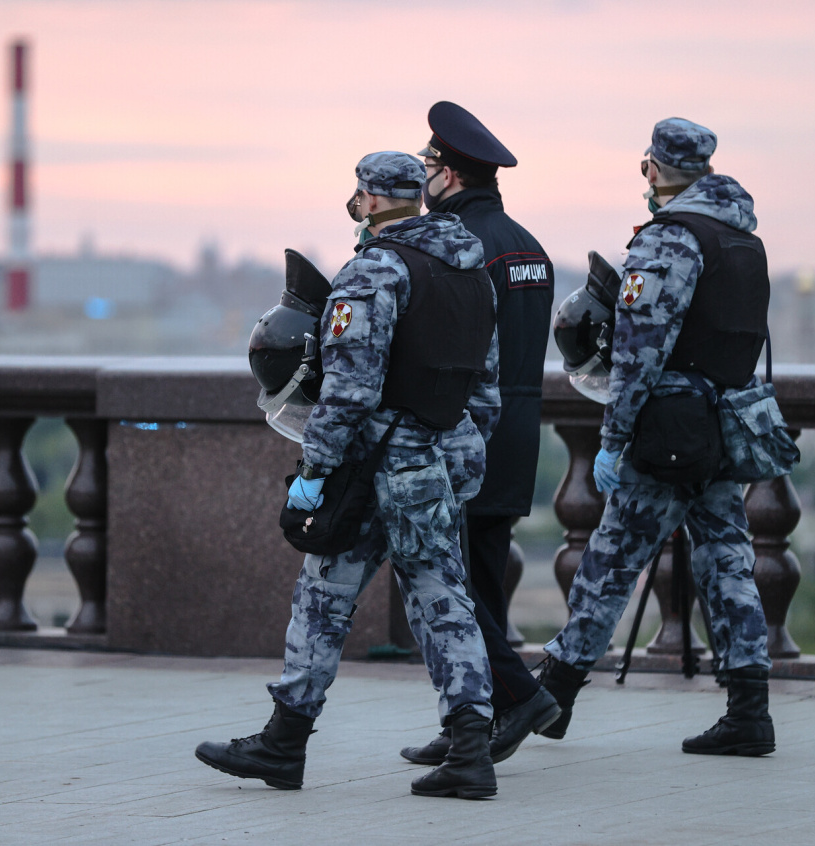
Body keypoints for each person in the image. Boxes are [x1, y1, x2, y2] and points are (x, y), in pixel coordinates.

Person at [196, 151, 503, 798]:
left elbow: (349, 392)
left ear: (371, 199)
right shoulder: (472, 271)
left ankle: (285, 742)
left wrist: (315, 469)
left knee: (323, 598)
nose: (357, 205)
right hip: (436, 464)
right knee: (445, 603)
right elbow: (485, 389)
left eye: (359, 195)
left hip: (374, 469)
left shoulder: (374, 270)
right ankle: (472, 749)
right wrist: (454, 451)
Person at [538, 118, 777, 757]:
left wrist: (614, 440)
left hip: (669, 431)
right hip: (726, 426)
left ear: (654, 168)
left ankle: (553, 696)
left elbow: (639, 352)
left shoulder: (670, 238)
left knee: (610, 562)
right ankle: (749, 711)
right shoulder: (742, 238)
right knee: (728, 563)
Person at [400, 101, 559, 768]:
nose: (422, 180)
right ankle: (470, 721)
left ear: (450, 175)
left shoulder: (457, 248)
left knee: (448, 589)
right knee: (483, 581)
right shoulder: (530, 247)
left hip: (462, 435)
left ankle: (519, 697)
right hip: (518, 433)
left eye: (428, 167)